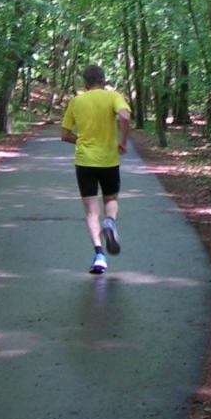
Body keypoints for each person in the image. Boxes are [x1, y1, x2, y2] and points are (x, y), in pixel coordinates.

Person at [61, 65, 132, 274]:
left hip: (85, 162)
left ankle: (99, 255)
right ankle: (110, 222)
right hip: (109, 160)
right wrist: (123, 141)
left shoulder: (76, 101)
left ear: (85, 83)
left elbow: (64, 135)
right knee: (111, 200)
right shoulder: (113, 97)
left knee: (91, 211)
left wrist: (81, 140)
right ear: (104, 81)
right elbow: (125, 117)